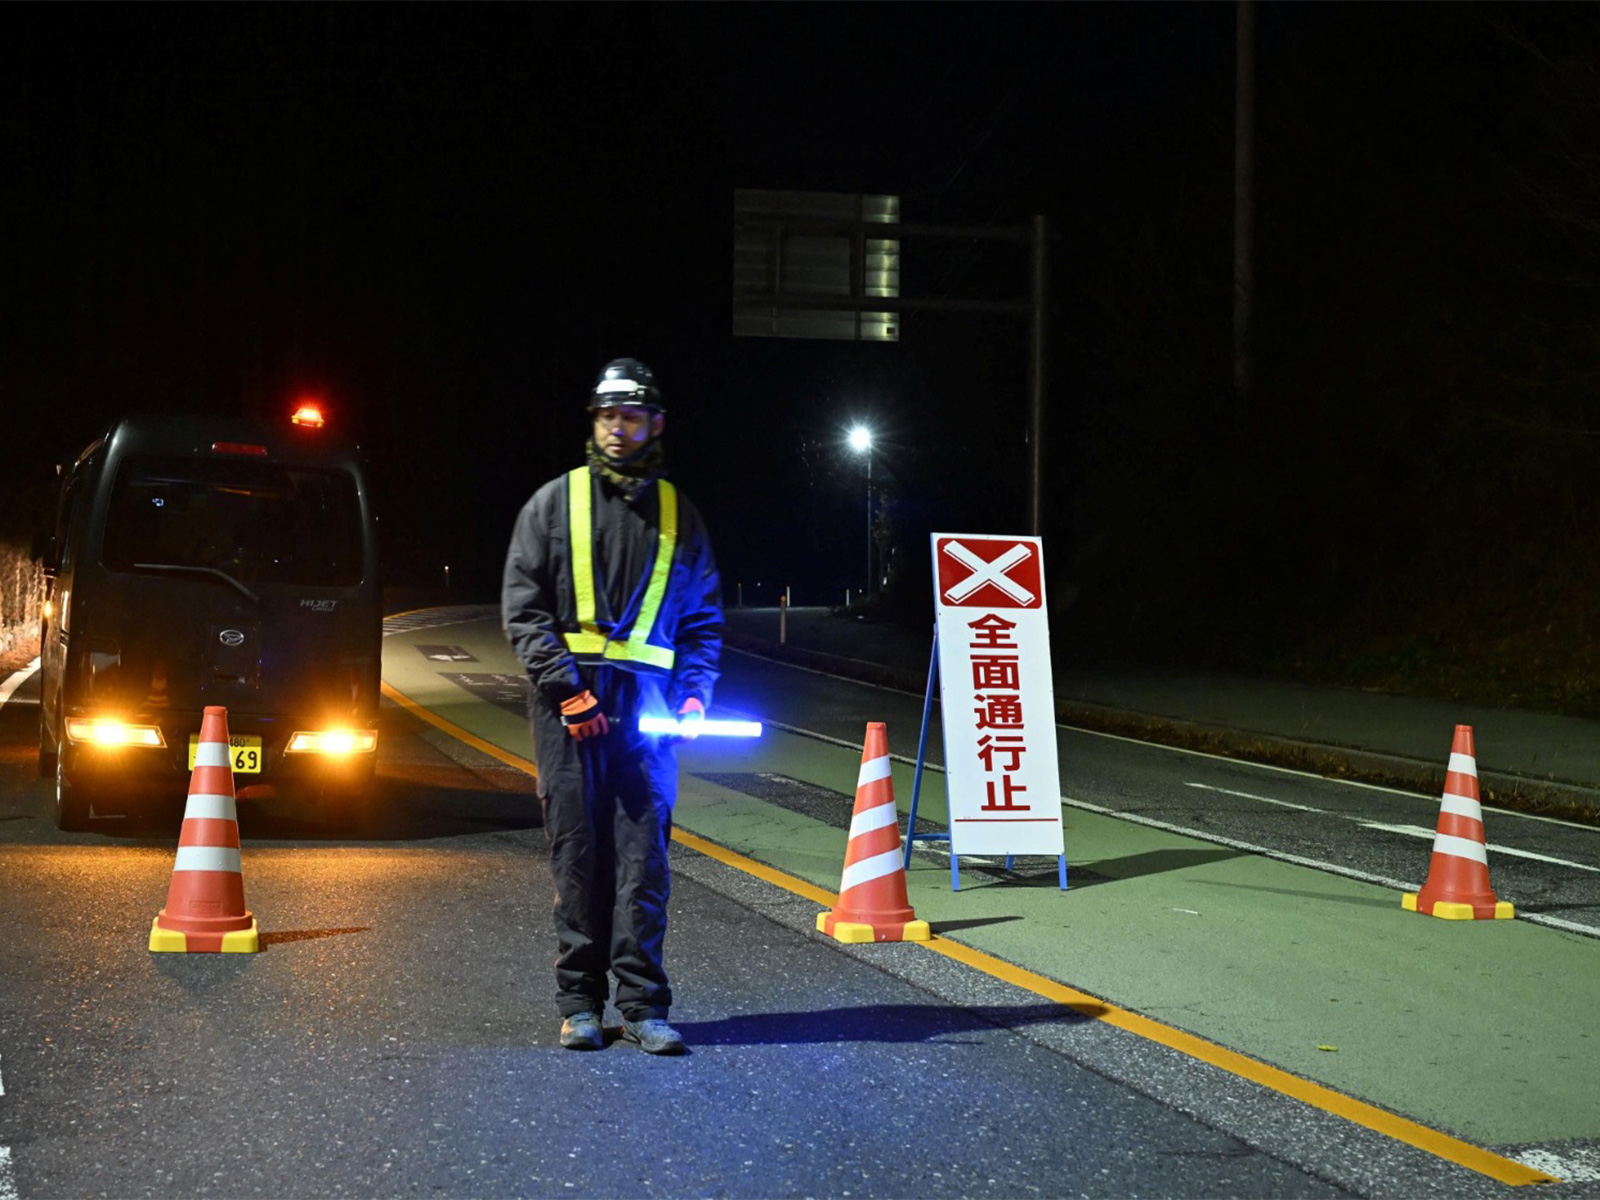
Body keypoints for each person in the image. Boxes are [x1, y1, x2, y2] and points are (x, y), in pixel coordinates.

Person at [501, 357, 723, 1055]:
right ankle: (580, 1005)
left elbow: (702, 622)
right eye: (608, 416)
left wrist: (693, 695)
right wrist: (569, 692)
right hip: (570, 711)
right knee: (578, 856)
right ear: (594, 423)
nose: (619, 429)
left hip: (648, 714)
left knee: (644, 862)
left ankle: (644, 1007)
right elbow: (524, 610)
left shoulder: (679, 515)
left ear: (656, 424)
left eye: (632, 416)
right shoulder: (552, 504)